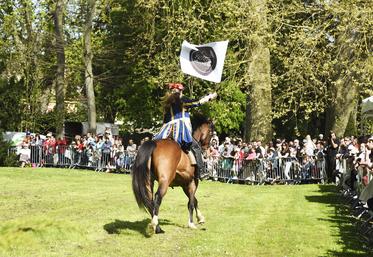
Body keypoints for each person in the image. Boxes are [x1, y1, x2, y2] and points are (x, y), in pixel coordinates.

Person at [153, 82, 217, 174]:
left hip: (166, 130)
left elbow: (164, 120)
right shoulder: (182, 100)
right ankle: (202, 172)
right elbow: (197, 102)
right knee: (195, 147)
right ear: (180, 91)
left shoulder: (167, 104)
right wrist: (210, 96)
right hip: (180, 128)